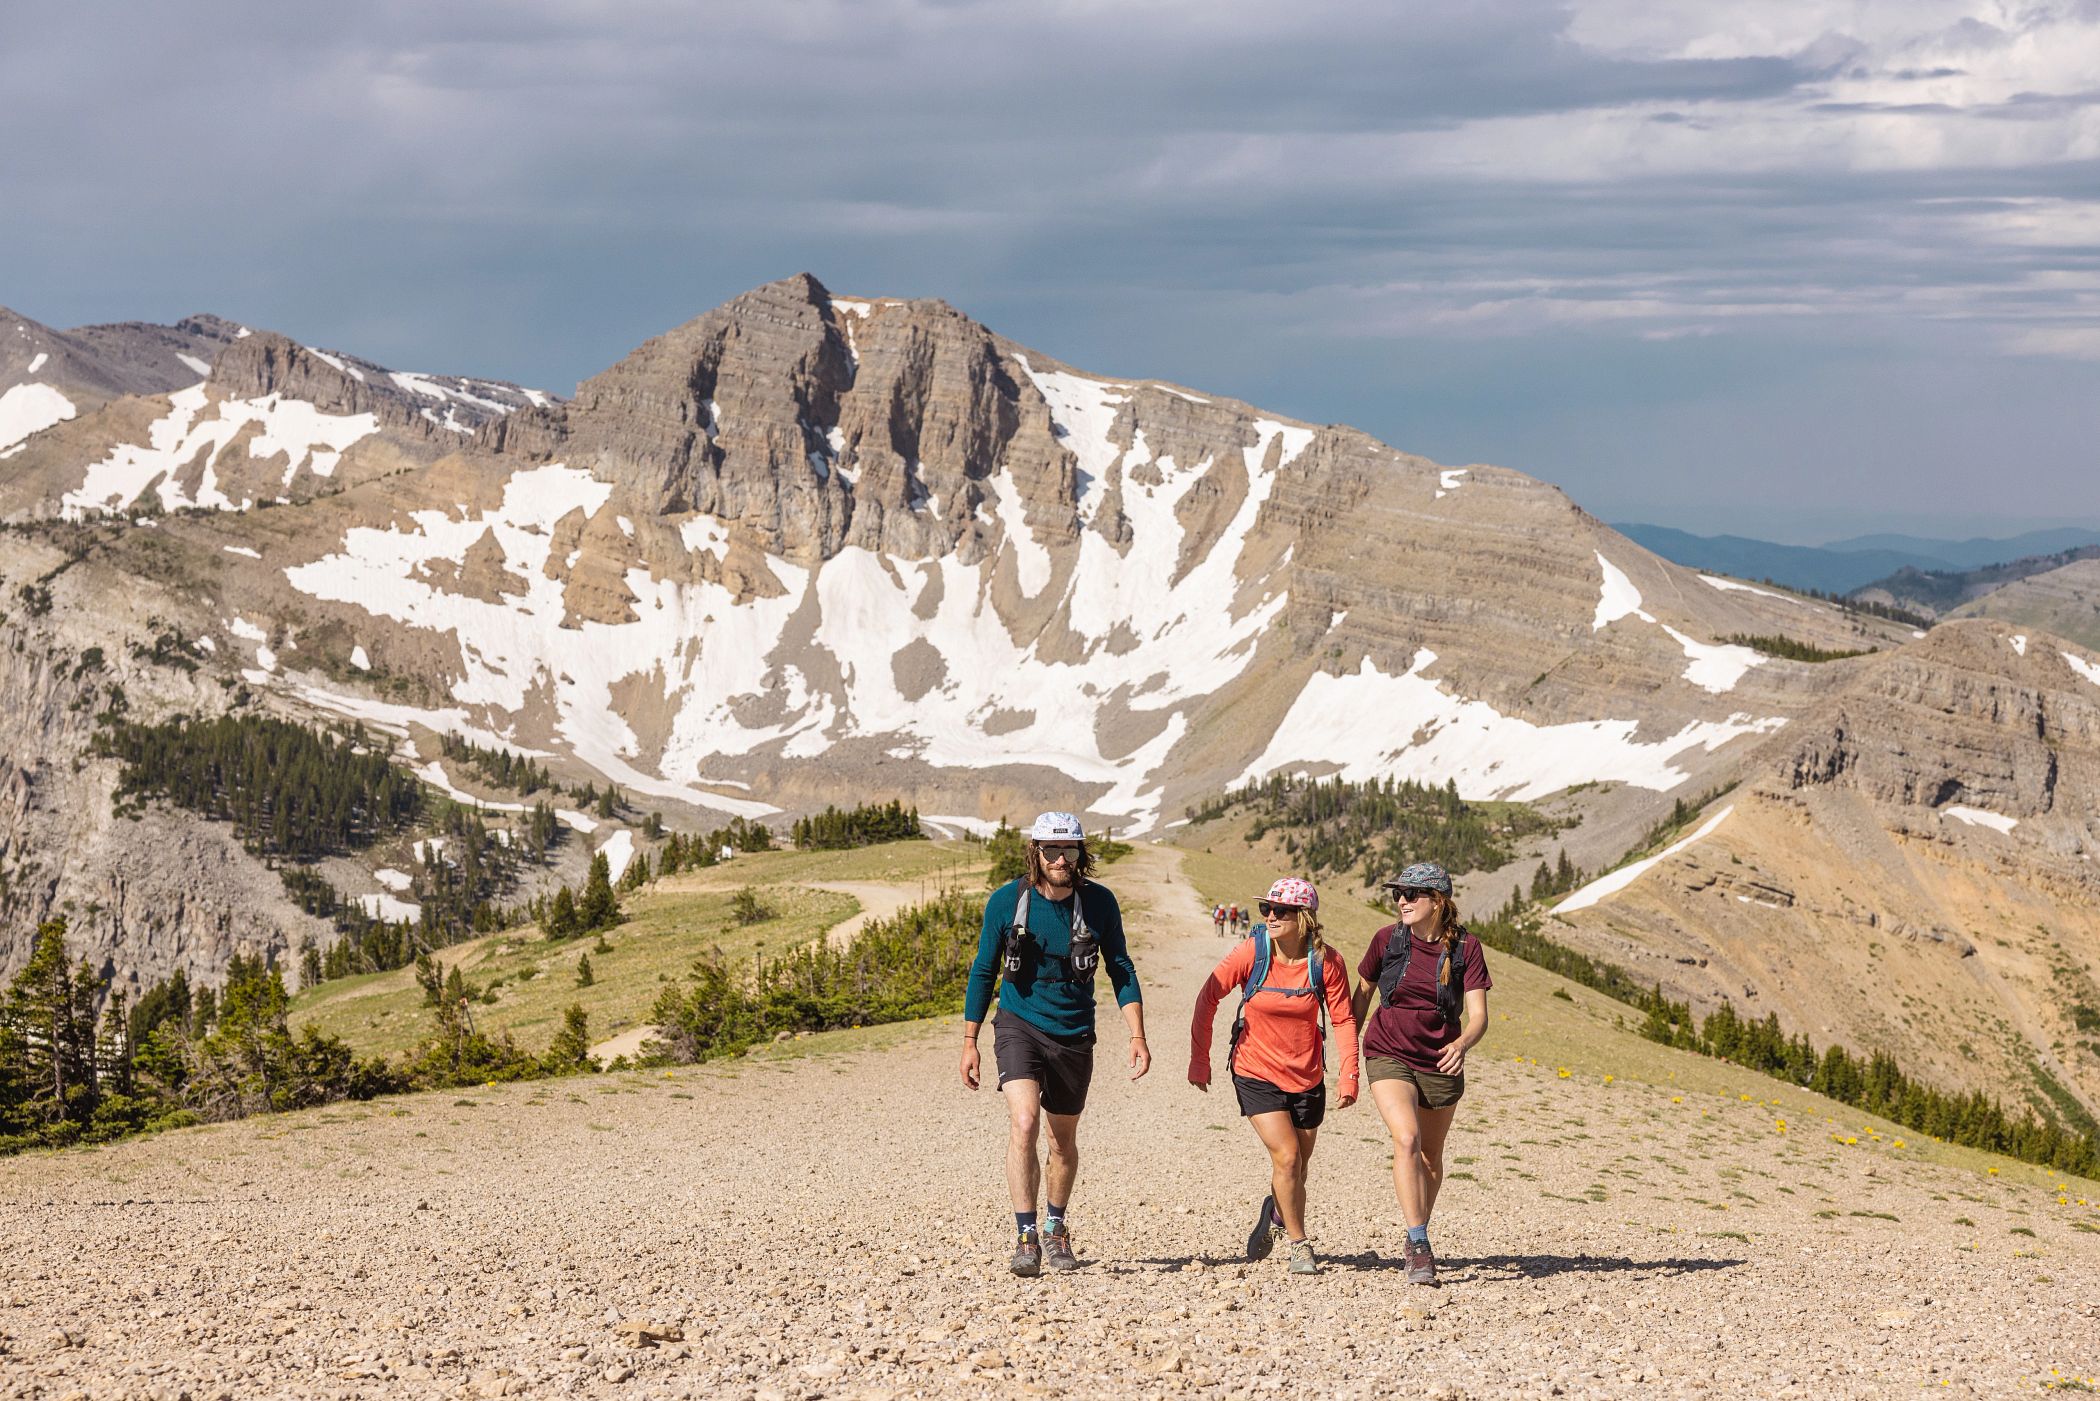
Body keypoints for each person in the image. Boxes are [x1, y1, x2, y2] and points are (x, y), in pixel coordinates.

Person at [962, 811, 1148, 1277]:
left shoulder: (1100, 903)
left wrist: (1137, 1033)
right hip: (1018, 1023)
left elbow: (1120, 968)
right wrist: (970, 1041)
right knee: (1024, 1122)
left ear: (1081, 853)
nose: (1060, 859)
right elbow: (985, 970)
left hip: (1074, 1032)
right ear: (1036, 852)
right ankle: (1026, 1235)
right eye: (1051, 849)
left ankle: (1055, 1226)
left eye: (1069, 850)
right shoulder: (1007, 901)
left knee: (1061, 1140)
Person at [1189, 877, 1358, 1275]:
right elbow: (1208, 996)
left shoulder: (1326, 962)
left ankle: (1278, 1214)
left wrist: (1349, 1074)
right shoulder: (1253, 950)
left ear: (1305, 918)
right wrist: (1200, 1059)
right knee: (1288, 1156)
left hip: (1307, 1076)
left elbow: (1344, 1019)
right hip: (1255, 1070)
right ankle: (1300, 1245)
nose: (1270, 916)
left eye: (1280, 910)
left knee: (1297, 1169)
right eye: (1267, 909)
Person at [1351, 861, 1492, 1285]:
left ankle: (1417, 1232)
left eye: (1412, 895)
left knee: (1431, 1156)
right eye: (1399, 894)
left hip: (1440, 1060)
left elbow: (1480, 1016)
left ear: (1438, 901)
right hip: (1387, 1051)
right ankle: (1418, 1242)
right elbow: (1361, 998)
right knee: (1407, 1138)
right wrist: (1345, 1052)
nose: (1402, 901)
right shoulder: (1386, 940)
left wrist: (1462, 1044)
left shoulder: (1467, 948)